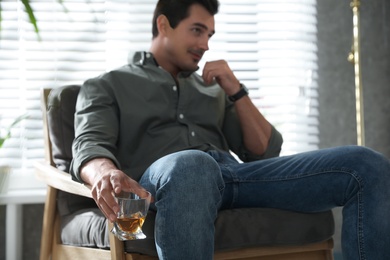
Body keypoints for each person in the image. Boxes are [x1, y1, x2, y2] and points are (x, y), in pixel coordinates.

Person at [69, 0, 390, 259]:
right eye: (197, 31)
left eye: (209, 35)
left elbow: (264, 151)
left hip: (234, 178)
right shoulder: (108, 85)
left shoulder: (212, 90)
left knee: (366, 165)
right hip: (165, 186)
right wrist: (103, 174)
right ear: (163, 24)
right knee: (192, 164)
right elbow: (89, 147)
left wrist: (235, 89)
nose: (205, 44)